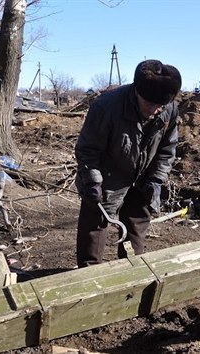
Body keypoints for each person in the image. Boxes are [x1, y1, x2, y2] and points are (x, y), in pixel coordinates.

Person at [75, 59, 181, 267]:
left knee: (136, 225)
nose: (157, 110)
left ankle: (131, 271)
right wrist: (93, 181)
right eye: (151, 104)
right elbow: (87, 149)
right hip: (108, 175)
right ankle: (88, 276)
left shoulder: (169, 109)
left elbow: (167, 149)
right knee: (95, 225)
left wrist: (156, 180)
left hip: (143, 176)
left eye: (162, 105)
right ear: (136, 92)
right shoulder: (106, 107)